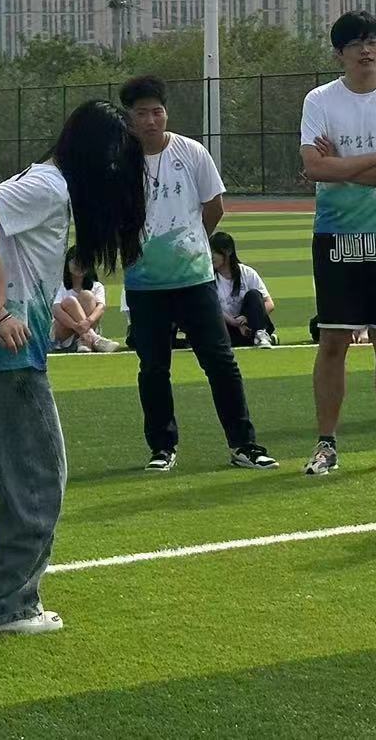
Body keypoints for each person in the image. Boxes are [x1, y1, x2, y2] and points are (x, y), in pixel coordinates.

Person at [0, 100, 147, 635]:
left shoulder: (41, 180)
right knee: (39, 474)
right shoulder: (49, 186)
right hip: (9, 350)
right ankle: (6, 605)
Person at [118, 76, 275, 473]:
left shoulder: (190, 152)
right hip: (144, 284)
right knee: (153, 367)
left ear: (166, 113)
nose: (151, 120)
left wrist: (191, 246)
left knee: (220, 361)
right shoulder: (119, 161)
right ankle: (162, 447)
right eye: (141, 113)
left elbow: (214, 206)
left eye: (157, 112)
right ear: (129, 118)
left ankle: (244, 444)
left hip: (195, 279)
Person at [299, 10, 376, 477]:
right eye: (356, 43)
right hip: (336, 233)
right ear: (340, 53)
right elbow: (315, 167)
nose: (366, 50)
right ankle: (326, 443)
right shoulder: (319, 100)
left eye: (373, 41)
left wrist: (344, 166)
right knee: (334, 339)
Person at [210, 231, 277, 347]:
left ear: (228, 251)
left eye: (214, 252)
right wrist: (234, 322)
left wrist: (247, 318)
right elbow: (213, 308)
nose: (211, 257)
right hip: (226, 324)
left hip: (250, 323)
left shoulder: (247, 273)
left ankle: (260, 335)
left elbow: (269, 303)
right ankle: (258, 337)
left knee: (254, 295)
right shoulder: (209, 278)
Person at [50, 251, 122, 353]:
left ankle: (85, 341)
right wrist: (76, 326)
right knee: (70, 301)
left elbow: (101, 307)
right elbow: (56, 309)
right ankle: (94, 338)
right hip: (65, 332)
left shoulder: (97, 286)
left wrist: (88, 322)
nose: (79, 265)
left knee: (87, 295)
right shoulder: (61, 286)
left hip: (89, 324)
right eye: (75, 261)